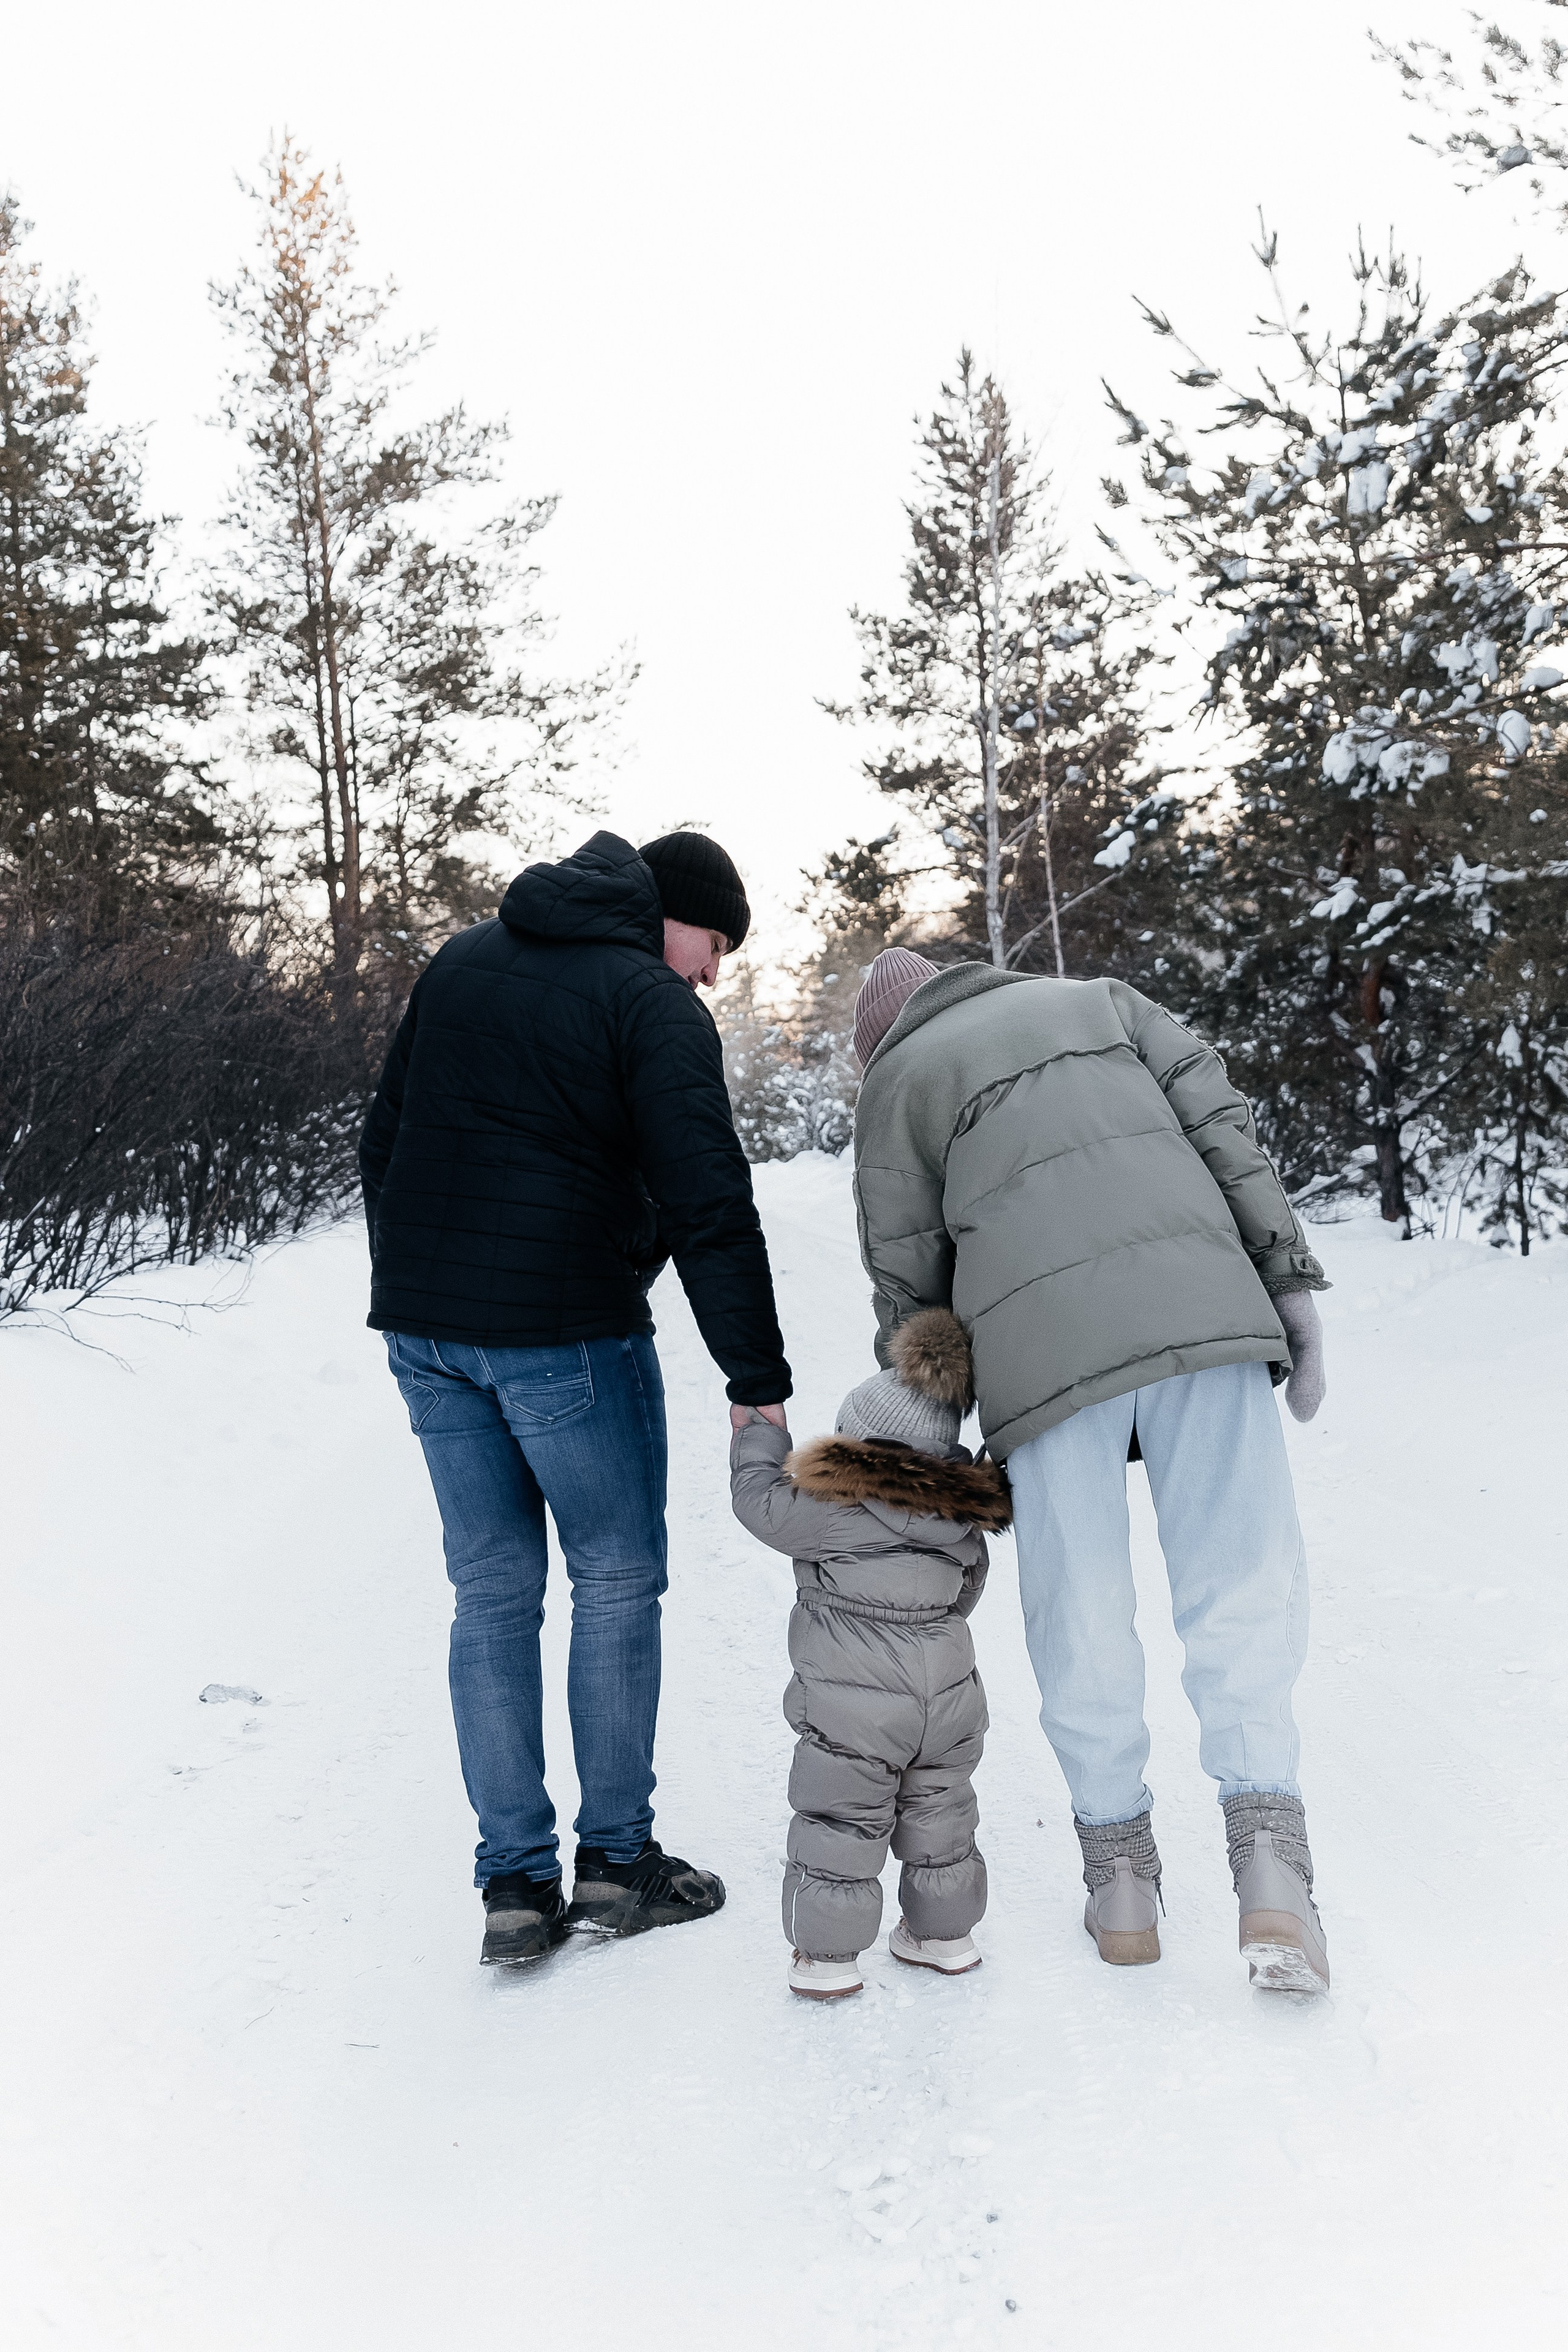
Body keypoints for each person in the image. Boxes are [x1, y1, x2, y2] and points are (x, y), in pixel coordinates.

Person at [849, 949, 1332, 1995]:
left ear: (879, 1037)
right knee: (1240, 1582)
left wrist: (934, 1411)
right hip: (1208, 1312)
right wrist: (1286, 1278)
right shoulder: (1101, 1001)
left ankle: (1121, 1882)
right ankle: (1273, 1874)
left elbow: (906, 1264)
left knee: (1079, 1609)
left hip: (1042, 1356)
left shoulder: (897, 1078)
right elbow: (1220, 1122)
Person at [360, 829, 791, 1967]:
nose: (713, 972)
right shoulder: (651, 1004)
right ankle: (614, 1862)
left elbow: (384, 1138)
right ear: (671, 917)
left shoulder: (461, 960)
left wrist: (412, 1276)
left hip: (429, 1332)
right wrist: (758, 1380)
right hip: (563, 1335)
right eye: (715, 944)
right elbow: (710, 1201)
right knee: (613, 1574)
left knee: (492, 1592)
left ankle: (512, 1884)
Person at [729, 1310, 1008, 2000]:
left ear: (856, 1444)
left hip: (853, 1704)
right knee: (940, 1811)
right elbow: (966, 1592)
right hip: (947, 1696)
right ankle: (944, 1939)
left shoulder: (832, 1505)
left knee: (840, 1820)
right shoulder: (960, 1518)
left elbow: (757, 1503)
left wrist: (758, 1434)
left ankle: (826, 1958)